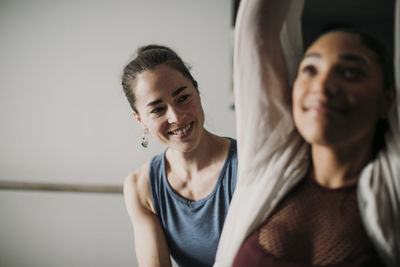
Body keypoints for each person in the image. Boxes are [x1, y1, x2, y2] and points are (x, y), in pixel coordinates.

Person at [214, 0, 399, 266]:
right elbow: (256, 29)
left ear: (388, 100)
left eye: (350, 72)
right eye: (310, 69)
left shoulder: (392, 192)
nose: (322, 85)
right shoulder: (268, 166)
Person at [121, 44, 237, 267]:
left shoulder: (249, 164)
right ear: (140, 120)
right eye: (157, 109)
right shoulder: (140, 187)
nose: (176, 116)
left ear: (197, 91)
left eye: (183, 98)